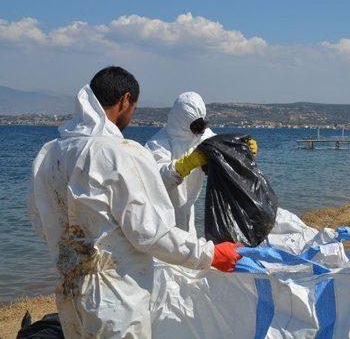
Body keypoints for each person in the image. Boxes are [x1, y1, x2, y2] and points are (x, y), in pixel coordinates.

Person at [27, 67, 241, 338]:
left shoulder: (49, 154)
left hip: (70, 293)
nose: (131, 114)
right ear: (125, 100)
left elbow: (40, 221)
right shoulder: (119, 153)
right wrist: (210, 254)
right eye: (134, 108)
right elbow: (149, 233)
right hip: (117, 298)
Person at [145, 92, 258, 238]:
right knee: (165, 255)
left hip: (187, 209)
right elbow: (155, 182)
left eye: (203, 124)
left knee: (188, 250)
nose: (200, 130)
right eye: (196, 126)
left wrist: (243, 152)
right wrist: (184, 165)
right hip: (161, 214)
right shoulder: (157, 143)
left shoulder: (202, 135)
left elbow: (224, 152)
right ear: (182, 123)